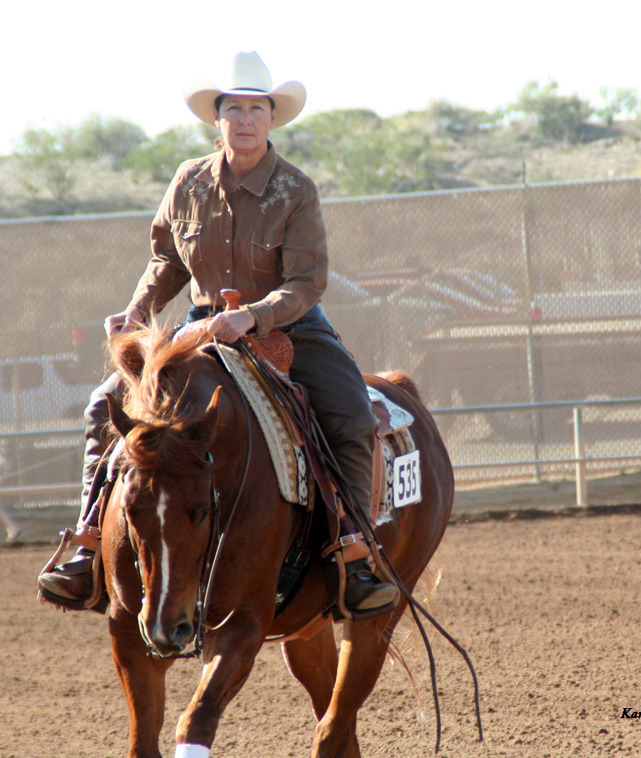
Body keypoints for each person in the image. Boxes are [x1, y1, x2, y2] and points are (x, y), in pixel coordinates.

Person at [38, 51, 397, 614]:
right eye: (235, 108)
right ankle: (85, 545)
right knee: (105, 404)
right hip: (200, 328)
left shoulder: (295, 191)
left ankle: (354, 554)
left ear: (272, 118)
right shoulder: (189, 181)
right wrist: (136, 313)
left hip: (291, 328)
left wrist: (252, 316)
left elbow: (306, 283)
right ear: (217, 118)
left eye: (257, 108)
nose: (246, 119)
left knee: (350, 417)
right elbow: (166, 262)